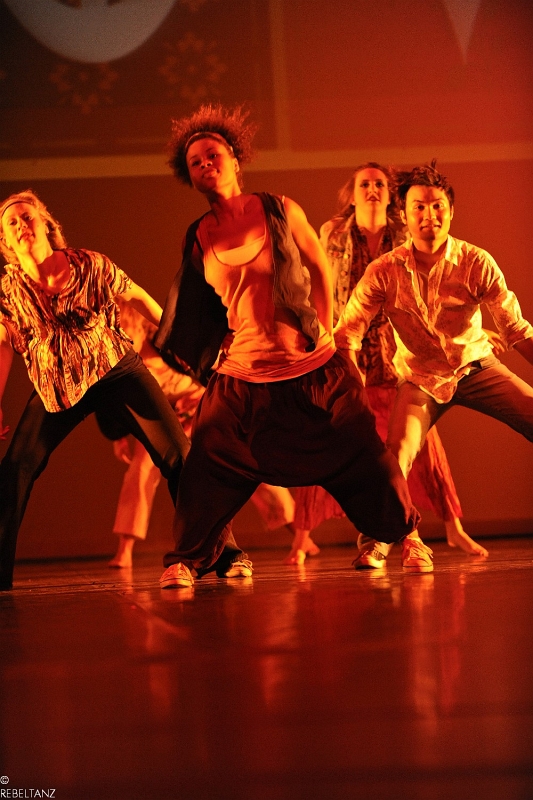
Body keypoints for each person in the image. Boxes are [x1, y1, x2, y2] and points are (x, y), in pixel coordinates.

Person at [154, 103, 422, 590]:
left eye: (213, 155)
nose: (206, 165)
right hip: (244, 376)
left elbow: (319, 267)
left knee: (363, 449)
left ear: (235, 160)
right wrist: (211, 352)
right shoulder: (199, 235)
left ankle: (405, 537)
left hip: (310, 367)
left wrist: (326, 331)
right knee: (206, 463)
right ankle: (187, 560)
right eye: (195, 162)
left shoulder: (279, 208)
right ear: (188, 176)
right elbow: (195, 307)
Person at [286, 163, 490, 567]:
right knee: (334, 435)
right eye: (365, 184)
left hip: (398, 347)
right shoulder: (333, 233)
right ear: (352, 194)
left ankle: (451, 527)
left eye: (380, 183)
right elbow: (318, 284)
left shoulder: (405, 232)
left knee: (420, 440)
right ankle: (304, 536)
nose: (373, 189)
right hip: (350, 343)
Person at [334, 160, 533, 569]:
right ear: (405, 216)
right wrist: (350, 389)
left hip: (474, 366)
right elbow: (348, 332)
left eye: (438, 205)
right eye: (419, 207)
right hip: (420, 379)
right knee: (397, 455)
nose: (430, 215)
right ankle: (392, 539)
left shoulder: (475, 261)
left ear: (451, 211)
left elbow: (515, 329)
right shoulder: (385, 270)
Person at [0, 190, 193, 591]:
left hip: (115, 369)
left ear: (45, 223)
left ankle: (221, 553)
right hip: (56, 386)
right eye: (11, 223)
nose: (21, 226)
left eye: (27, 217)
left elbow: (138, 297)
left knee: (178, 454)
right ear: (5, 241)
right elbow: (3, 343)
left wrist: (180, 343)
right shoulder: (8, 291)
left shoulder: (89, 264)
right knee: (16, 467)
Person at [102, 299, 297, 568]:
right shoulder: (118, 361)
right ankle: (125, 550)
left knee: (242, 462)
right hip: (163, 418)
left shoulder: (164, 343)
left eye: (126, 330)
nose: (124, 338)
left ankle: (299, 533)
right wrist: (118, 437)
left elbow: (202, 363)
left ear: (138, 326)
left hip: (197, 406)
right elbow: (109, 398)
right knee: (140, 472)